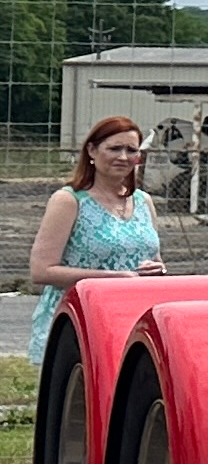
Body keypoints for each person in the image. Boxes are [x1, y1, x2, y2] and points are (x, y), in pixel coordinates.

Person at [29, 114, 165, 363]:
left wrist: (158, 270)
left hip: (131, 320)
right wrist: (114, 278)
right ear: (91, 150)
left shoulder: (143, 202)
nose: (123, 157)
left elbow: (153, 258)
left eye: (131, 150)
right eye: (114, 148)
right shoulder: (69, 201)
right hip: (79, 320)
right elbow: (41, 270)